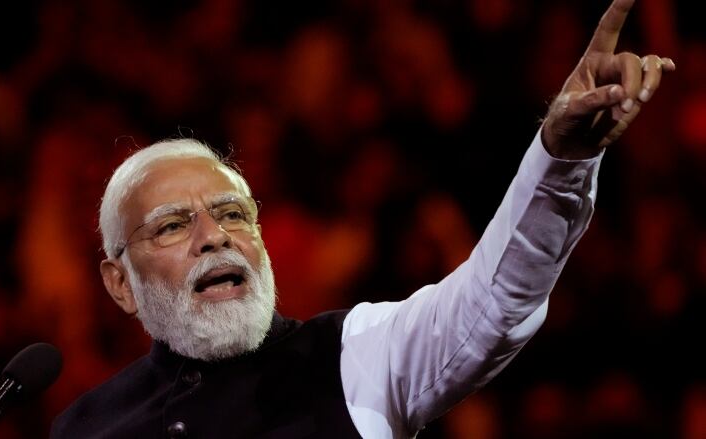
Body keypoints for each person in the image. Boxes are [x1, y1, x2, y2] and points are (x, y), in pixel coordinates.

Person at [50, 1, 675, 437]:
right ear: (119, 283)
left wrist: (562, 158)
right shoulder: (84, 426)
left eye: (232, 213)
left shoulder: (354, 356)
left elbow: (495, 302)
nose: (215, 238)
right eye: (171, 225)